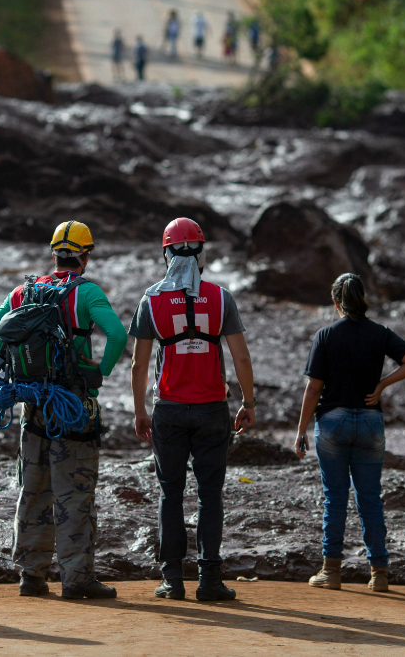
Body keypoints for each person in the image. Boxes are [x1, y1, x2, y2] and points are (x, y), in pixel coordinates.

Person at [0, 221, 127, 599]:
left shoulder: (21, 292)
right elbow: (118, 334)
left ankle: (31, 575)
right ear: (86, 256)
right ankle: (76, 579)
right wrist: (98, 373)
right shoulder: (87, 293)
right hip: (74, 406)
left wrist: (15, 369)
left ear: (54, 253)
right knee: (74, 492)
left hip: (33, 406)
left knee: (34, 488)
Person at [129, 217, 256, 602]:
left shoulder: (151, 300)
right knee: (210, 494)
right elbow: (241, 358)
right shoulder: (221, 298)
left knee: (170, 492)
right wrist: (249, 403)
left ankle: (172, 580)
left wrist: (139, 412)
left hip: (168, 410)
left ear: (166, 254)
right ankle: (210, 581)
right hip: (212, 410)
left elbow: (137, 364)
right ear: (201, 254)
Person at [293, 274, 405, 593]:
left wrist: (301, 431)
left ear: (336, 302)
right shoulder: (379, 333)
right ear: (363, 299)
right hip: (369, 422)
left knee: (334, 498)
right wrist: (381, 385)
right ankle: (379, 573)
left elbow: (313, 388)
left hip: (333, 423)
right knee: (370, 499)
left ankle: (331, 572)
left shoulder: (325, 335)